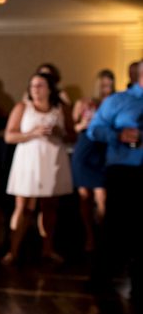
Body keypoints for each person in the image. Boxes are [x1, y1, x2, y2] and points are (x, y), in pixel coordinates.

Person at [2, 72, 74, 265]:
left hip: (52, 160)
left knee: (50, 207)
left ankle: (47, 249)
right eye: (32, 85)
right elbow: (9, 136)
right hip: (28, 161)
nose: (35, 89)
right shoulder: (22, 107)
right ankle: (13, 250)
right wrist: (32, 133)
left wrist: (61, 133)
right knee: (22, 206)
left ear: (50, 88)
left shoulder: (60, 109)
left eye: (40, 85)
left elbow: (73, 136)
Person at [87, 61, 143, 296]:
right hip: (125, 169)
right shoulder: (118, 101)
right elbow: (94, 129)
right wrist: (118, 134)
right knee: (117, 224)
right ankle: (103, 277)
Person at [71, 69, 115, 251]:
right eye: (103, 85)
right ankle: (89, 236)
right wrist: (84, 123)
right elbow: (73, 127)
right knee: (84, 197)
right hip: (85, 149)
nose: (106, 89)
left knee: (102, 196)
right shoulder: (84, 102)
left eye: (110, 85)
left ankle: (104, 235)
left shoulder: (115, 102)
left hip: (103, 150)